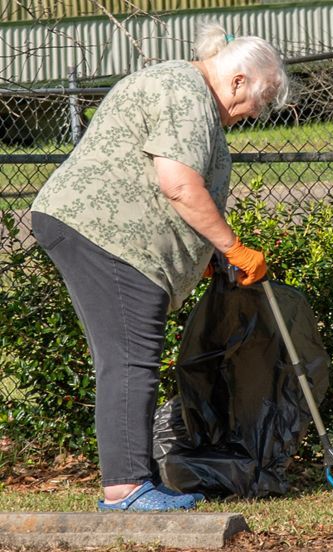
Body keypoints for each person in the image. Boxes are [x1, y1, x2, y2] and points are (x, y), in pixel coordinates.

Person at [31, 22, 289, 512]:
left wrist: (208, 254)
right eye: (262, 99)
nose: (258, 111)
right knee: (131, 357)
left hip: (113, 236)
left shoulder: (191, 93)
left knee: (127, 356)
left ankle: (135, 481)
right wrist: (232, 247)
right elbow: (178, 184)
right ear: (238, 81)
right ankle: (126, 490)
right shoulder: (184, 91)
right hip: (109, 234)